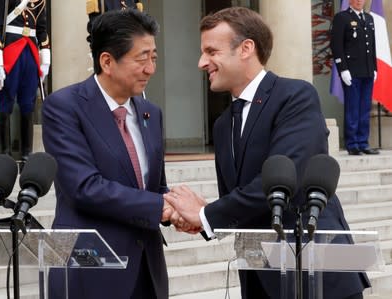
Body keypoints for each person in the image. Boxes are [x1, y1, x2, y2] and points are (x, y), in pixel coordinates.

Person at [164, 7, 370, 299]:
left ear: (246, 48)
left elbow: (284, 180)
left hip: (319, 275)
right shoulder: (223, 125)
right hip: (259, 277)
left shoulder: (295, 96)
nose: (201, 62)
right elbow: (242, 202)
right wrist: (203, 217)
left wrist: (205, 214)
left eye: (212, 51)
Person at [42, 9, 171, 299]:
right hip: (91, 269)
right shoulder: (64, 107)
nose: (151, 69)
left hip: (146, 271)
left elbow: (155, 186)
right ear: (107, 61)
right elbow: (84, 188)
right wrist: (161, 205)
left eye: (154, 58)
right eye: (142, 59)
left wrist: (176, 206)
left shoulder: (152, 113)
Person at [0, 0, 50, 162]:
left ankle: (26, 154)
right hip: (10, 47)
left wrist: (45, 58)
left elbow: (42, 28)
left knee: (28, 104)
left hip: (30, 50)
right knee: (5, 102)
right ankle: (4, 154)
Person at [330, 0, 379, 155]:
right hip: (351, 72)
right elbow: (337, 45)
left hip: (367, 71)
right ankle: (352, 144)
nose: (359, 1)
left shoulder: (369, 18)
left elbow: (372, 45)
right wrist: (342, 69)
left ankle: (363, 142)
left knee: (364, 108)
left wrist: (375, 67)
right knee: (353, 108)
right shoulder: (342, 17)